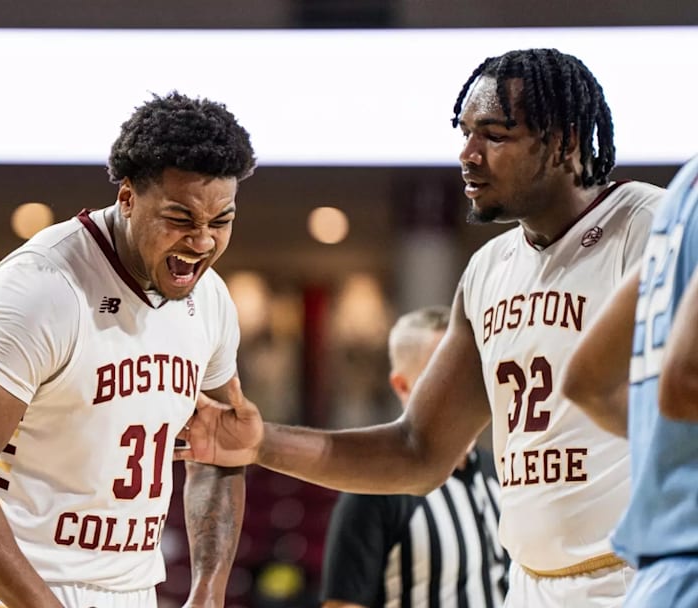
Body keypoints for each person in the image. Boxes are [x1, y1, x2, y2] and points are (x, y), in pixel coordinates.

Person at [177, 48, 664, 607]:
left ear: (567, 142)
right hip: (530, 586)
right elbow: (417, 450)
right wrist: (261, 442)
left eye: (495, 135)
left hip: (635, 579)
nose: (468, 154)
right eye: (465, 133)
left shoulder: (650, 229)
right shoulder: (489, 269)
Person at [0, 91, 257, 608]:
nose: (202, 242)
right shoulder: (42, 288)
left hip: (130, 589)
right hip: (2, 588)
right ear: (127, 198)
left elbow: (218, 453)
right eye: (180, 219)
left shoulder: (210, 301)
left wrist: (208, 591)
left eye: (221, 222)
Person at [563, 154, 698, 606]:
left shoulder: (684, 189)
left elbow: (587, 381)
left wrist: (667, 442)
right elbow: (686, 381)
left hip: (656, 579)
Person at [320, 306, 508, 608]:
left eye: (471, 372)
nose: (464, 389)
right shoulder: (373, 489)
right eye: (445, 377)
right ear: (402, 386)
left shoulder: (498, 469)